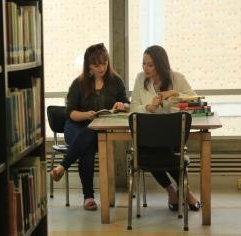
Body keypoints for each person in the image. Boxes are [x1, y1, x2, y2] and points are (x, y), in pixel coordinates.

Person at [50, 43, 130, 211]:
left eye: (104, 62)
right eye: (96, 64)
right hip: (75, 126)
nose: (102, 67)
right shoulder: (78, 84)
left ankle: (65, 169)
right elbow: (70, 113)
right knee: (87, 139)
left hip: (100, 128)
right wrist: (87, 115)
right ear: (89, 66)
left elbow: (128, 104)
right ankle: (87, 196)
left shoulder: (116, 81)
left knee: (88, 145)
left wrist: (122, 105)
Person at [130, 45, 201, 211]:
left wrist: (175, 94)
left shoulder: (176, 78)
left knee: (165, 152)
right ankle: (173, 191)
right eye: (144, 64)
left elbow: (196, 102)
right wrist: (148, 108)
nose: (145, 68)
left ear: (161, 64)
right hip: (148, 136)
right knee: (147, 152)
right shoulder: (140, 79)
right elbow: (133, 107)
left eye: (150, 65)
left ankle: (184, 192)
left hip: (172, 136)